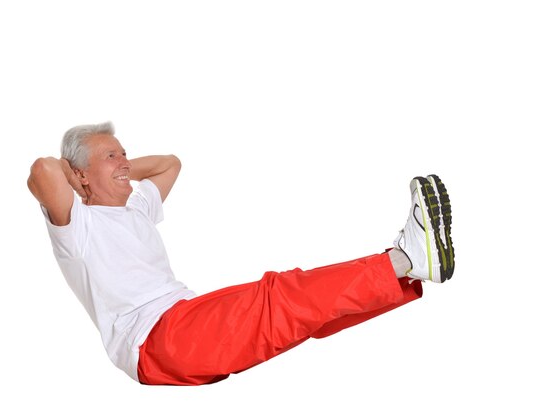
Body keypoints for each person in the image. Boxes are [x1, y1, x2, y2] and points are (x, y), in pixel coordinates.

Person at [27, 121, 455, 386]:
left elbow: (170, 163)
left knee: (303, 317)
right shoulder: (76, 225)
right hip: (155, 340)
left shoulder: (137, 207)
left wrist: (114, 166)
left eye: (124, 151)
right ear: (80, 173)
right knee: (280, 298)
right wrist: (81, 177)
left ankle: (407, 272)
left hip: (182, 320)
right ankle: (404, 260)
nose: (125, 161)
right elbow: (43, 170)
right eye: (112, 154)